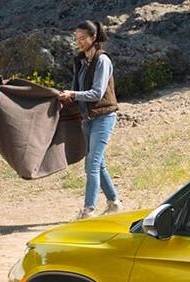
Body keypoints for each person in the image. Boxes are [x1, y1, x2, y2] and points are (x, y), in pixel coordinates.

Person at [58, 19, 128, 219]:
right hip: (87, 118)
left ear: (93, 37)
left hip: (104, 117)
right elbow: (79, 89)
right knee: (99, 163)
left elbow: (97, 93)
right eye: (76, 39)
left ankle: (88, 210)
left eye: (82, 38)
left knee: (92, 163)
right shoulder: (80, 61)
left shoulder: (103, 60)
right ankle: (114, 203)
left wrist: (73, 94)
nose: (78, 42)